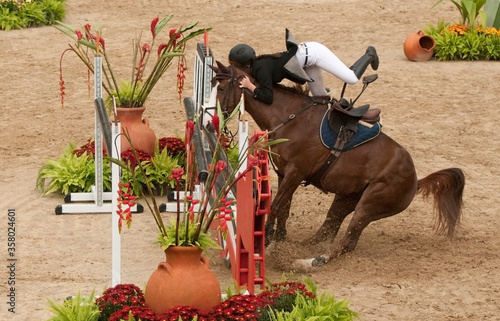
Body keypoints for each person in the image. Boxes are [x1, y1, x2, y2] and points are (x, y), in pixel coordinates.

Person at [228, 29, 379, 105]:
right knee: (320, 99)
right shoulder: (259, 65)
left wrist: (250, 86)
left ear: (245, 64)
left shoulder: (261, 69)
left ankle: (369, 55)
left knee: (351, 78)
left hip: (314, 53)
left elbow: (268, 97)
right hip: (307, 62)